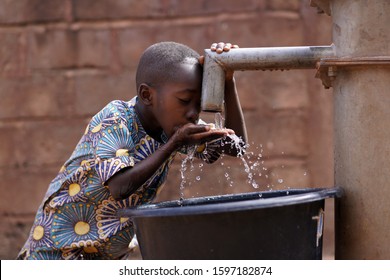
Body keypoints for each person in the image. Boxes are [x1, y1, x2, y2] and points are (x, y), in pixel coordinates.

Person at [17, 41, 247, 260]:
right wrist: (173, 145)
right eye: (184, 100)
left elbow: (237, 147)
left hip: (107, 256)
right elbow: (120, 187)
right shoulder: (116, 119)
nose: (192, 113)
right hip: (56, 249)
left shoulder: (172, 129)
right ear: (147, 95)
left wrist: (227, 80)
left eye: (198, 104)